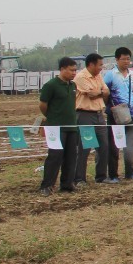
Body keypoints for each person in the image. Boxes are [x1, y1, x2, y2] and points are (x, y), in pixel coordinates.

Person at [39, 57, 80, 195]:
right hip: (56, 127)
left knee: (71, 156)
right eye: (71, 70)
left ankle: (67, 184)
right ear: (62, 69)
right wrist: (52, 117)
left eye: (75, 70)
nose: (74, 73)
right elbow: (43, 105)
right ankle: (47, 185)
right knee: (55, 156)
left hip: (72, 127)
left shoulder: (73, 86)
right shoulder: (51, 85)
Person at [74, 53, 114, 185]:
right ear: (91, 64)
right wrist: (101, 92)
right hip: (85, 114)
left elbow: (107, 91)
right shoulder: (81, 77)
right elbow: (91, 94)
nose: (101, 68)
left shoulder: (98, 76)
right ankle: (80, 178)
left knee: (104, 146)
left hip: (99, 114)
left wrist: (99, 92)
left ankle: (101, 176)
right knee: (84, 147)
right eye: (100, 65)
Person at [103, 46, 133, 181]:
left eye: (128, 59)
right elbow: (104, 92)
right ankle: (113, 175)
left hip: (130, 114)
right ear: (117, 59)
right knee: (113, 145)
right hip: (115, 114)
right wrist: (112, 106)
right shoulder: (110, 74)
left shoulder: (132, 75)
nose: (126, 61)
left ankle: (130, 172)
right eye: (123, 59)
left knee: (130, 143)